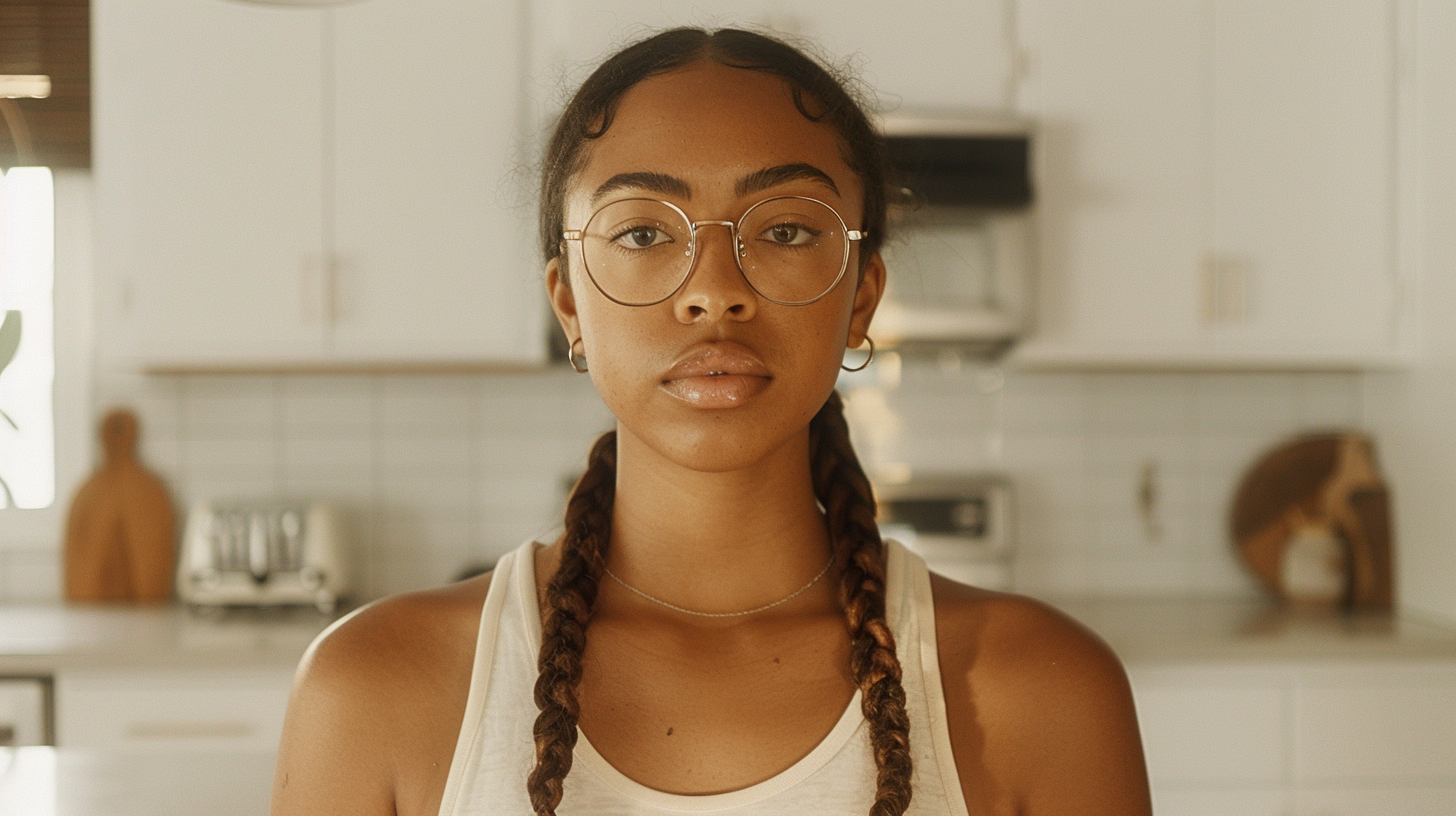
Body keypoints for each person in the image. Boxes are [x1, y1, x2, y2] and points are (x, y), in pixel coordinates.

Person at [271, 27, 1152, 816]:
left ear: (862, 297)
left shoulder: (1045, 693)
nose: (716, 290)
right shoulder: (371, 691)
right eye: (646, 233)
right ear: (569, 303)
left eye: (789, 231)